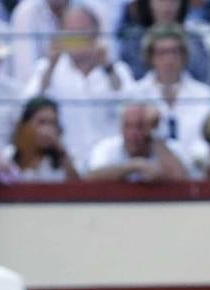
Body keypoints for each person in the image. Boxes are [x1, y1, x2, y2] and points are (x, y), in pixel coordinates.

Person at [25, 4, 136, 168]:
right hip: (63, 163)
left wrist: (108, 68)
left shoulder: (116, 70)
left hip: (110, 165)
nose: (77, 38)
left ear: (96, 34)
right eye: (71, 33)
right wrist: (50, 66)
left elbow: (133, 107)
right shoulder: (46, 68)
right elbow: (26, 108)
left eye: (83, 32)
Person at [128, 23, 210, 150]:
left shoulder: (204, 94)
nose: (169, 59)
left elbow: (209, 139)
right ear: (150, 57)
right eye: (162, 53)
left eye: (174, 52)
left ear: (184, 55)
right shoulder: (136, 93)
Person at [85, 101, 191, 181]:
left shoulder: (170, 149)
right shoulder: (106, 148)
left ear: (150, 128)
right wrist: (132, 167)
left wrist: (154, 137)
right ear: (121, 128)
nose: (133, 133)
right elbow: (90, 177)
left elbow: (181, 178)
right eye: (128, 126)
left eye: (140, 126)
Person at [118, 0, 210, 85]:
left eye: (173, 1)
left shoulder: (195, 39)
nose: (167, 6)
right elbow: (128, 81)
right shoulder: (133, 38)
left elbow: (206, 79)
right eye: (161, 1)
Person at [9, 96, 82, 180]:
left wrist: (61, 151)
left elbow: (77, 186)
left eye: (52, 123)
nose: (47, 130)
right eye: (42, 122)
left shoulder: (63, 159)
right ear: (26, 125)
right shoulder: (8, 156)